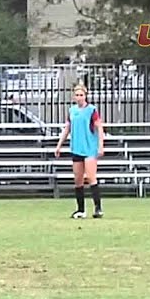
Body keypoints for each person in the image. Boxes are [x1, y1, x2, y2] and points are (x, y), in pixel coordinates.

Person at [54, 84, 105, 219]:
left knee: (90, 177)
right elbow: (67, 128)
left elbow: (99, 128)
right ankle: (81, 209)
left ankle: (98, 207)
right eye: (77, 95)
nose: (79, 97)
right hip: (76, 147)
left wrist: (101, 145)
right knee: (78, 179)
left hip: (89, 148)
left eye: (81, 95)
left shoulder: (91, 110)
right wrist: (59, 145)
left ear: (85, 96)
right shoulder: (72, 111)